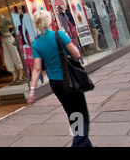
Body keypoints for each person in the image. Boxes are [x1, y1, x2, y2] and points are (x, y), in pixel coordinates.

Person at [27, 10, 92, 147]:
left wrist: (32, 90)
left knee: (73, 115)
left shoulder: (36, 44)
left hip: (56, 83)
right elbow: (76, 54)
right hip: (69, 79)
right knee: (82, 117)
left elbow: (37, 68)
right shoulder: (59, 35)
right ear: (48, 21)